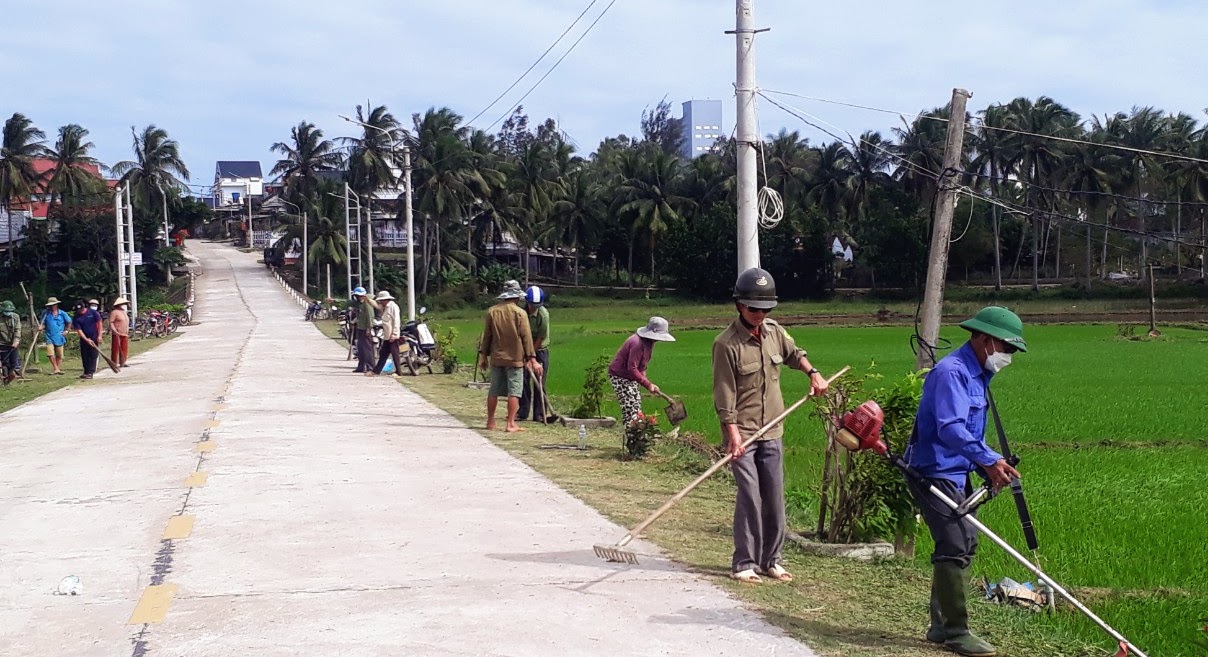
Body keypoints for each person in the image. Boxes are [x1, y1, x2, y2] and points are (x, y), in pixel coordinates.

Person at [905, 306, 1026, 657]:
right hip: (933, 470)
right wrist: (988, 459)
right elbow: (951, 427)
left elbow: (969, 432)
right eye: (1006, 348)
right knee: (954, 544)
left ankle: (940, 624)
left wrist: (987, 467)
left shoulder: (978, 375)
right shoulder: (951, 373)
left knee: (964, 541)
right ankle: (956, 631)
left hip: (957, 471)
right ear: (985, 339)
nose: (1008, 357)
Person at [712, 267, 829, 585]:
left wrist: (813, 373)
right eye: (754, 309)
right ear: (739, 305)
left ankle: (771, 560)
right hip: (744, 434)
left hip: (773, 430)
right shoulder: (726, 344)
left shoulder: (775, 332)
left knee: (774, 496)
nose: (760, 314)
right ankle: (744, 562)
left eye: (765, 309)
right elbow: (725, 393)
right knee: (750, 495)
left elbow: (795, 354)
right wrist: (733, 434)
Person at [479, 280, 542, 432]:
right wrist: (532, 359)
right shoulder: (520, 313)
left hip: (496, 357)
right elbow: (526, 337)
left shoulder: (492, 311)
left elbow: (487, 336)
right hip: (515, 359)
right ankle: (511, 423)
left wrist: (483, 356)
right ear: (517, 297)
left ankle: (490, 422)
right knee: (514, 391)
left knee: (494, 390)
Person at [607, 316, 675, 426]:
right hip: (620, 376)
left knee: (636, 406)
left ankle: (636, 434)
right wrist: (647, 384)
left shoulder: (649, 343)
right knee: (630, 409)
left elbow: (641, 367)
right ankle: (631, 436)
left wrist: (648, 383)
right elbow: (632, 368)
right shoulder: (637, 343)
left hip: (630, 376)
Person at [517, 285, 550, 422]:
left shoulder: (543, 315)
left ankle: (540, 414)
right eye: (531, 305)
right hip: (523, 349)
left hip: (540, 349)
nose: (533, 308)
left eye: (536, 305)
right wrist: (524, 354)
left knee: (539, 381)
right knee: (523, 380)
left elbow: (539, 338)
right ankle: (522, 411)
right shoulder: (521, 312)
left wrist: (532, 356)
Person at [369, 290, 403, 377]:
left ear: (385, 300)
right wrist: (368, 299)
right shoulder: (385, 307)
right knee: (383, 354)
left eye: (381, 300)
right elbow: (376, 306)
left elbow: (396, 321)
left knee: (395, 354)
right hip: (387, 335)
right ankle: (376, 371)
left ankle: (399, 372)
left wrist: (394, 334)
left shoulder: (393, 307)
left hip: (392, 335)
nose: (380, 302)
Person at [350, 286, 381, 373]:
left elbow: (370, 316)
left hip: (366, 328)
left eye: (358, 296)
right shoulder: (360, 303)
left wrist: (369, 328)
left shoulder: (367, 303)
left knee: (367, 349)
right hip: (360, 327)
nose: (357, 297)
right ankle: (361, 366)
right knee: (360, 348)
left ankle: (370, 367)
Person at [72, 301, 104, 379]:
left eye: (82, 309)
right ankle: (86, 371)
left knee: (93, 354)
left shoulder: (93, 313)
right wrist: (86, 339)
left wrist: (100, 336)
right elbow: (79, 331)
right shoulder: (76, 317)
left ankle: (91, 372)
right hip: (84, 338)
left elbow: (99, 323)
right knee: (85, 355)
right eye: (79, 310)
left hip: (94, 336)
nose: (81, 311)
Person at [41, 297, 72, 375]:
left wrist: (66, 331)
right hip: (49, 336)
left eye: (53, 305)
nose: (52, 307)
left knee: (59, 355)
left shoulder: (62, 313)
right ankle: (55, 368)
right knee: (50, 353)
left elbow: (69, 322)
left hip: (59, 336)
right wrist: (41, 327)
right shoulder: (45, 314)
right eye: (50, 305)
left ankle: (57, 369)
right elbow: (43, 324)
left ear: (56, 305)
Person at [0, 300, 21, 385]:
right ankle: (5, 379)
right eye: (6, 311)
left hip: (13, 343)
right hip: (2, 343)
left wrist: (16, 341)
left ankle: (10, 376)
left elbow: (17, 329)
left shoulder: (15, 317)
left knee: (13, 362)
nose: (8, 313)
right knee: (5, 362)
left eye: (10, 311)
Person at [107, 297, 131, 368]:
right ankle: (114, 363)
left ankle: (123, 362)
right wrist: (114, 330)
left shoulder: (123, 311)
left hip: (124, 333)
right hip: (117, 333)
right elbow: (111, 322)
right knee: (116, 349)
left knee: (124, 348)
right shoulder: (114, 312)